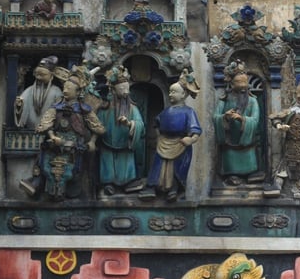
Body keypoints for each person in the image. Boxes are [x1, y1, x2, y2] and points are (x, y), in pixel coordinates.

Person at [30, 69, 105, 200]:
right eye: (65, 87)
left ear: (78, 92)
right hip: (56, 144)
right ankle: (38, 183)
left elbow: (97, 128)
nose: (65, 90)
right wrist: (52, 137)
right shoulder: (56, 107)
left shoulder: (83, 110)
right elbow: (46, 122)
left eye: (69, 88)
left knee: (72, 171)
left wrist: (92, 141)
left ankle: (76, 189)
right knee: (46, 167)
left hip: (74, 146)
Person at [145, 70, 202, 201]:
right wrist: (158, 136)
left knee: (177, 168)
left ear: (183, 94)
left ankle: (174, 189)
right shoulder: (166, 111)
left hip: (181, 143)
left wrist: (192, 138)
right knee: (158, 166)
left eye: (174, 92)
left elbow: (196, 129)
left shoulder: (188, 111)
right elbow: (156, 124)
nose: (171, 94)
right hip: (164, 143)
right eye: (170, 91)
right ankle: (152, 187)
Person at [97, 65, 146, 195]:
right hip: (107, 144)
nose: (125, 91)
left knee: (126, 164)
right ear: (112, 90)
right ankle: (108, 183)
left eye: (127, 88)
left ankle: (128, 183)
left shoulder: (132, 109)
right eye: (122, 88)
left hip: (125, 145)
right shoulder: (104, 109)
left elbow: (141, 126)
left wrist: (130, 124)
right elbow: (97, 123)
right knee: (107, 162)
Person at [213, 60, 262, 185]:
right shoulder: (224, 99)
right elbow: (215, 116)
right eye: (238, 82)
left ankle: (251, 173)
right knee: (230, 158)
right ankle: (232, 174)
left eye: (245, 82)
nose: (242, 85)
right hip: (230, 141)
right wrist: (225, 117)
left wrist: (243, 119)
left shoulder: (252, 101)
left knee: (250, 159)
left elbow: (256, 119)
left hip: (246, 142)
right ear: (231, 83)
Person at [14, 56, 63, 130]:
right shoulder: (29, 91)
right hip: (29, 133)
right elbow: (21, 106)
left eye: (43, 75)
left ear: (51, 76)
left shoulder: (57, 92)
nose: (39, 78)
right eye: (37, 74)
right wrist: (19, 105)